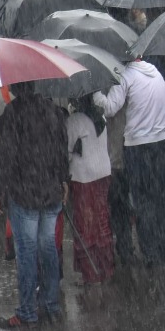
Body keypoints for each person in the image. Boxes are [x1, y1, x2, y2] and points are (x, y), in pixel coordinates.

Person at [0, 82, 69, 327]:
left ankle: (27, 311)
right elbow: (61, 148)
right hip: (50, 193)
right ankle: (50, 304)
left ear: (15, 88)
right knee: (48, 249)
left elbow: (7, 156)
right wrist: (62, 179)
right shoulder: (52, 110)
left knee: (26, 253)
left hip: (24, 194)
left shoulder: (13, 113)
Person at [94, 54, 165, 267]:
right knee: (160, 199)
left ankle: (150, 253)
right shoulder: (156, 73)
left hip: (138, 147)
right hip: (161, 144)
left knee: (143, 202)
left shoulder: (125, 76)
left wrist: (95, 93)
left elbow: (110, 107)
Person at [65, 95, 115, 285]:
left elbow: (66, 153)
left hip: (83, 178)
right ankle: (106, 267)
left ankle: (90, 273)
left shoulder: (74, 120)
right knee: (102, 222)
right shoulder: (100, 117)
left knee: (85, 225)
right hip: (103, 174)